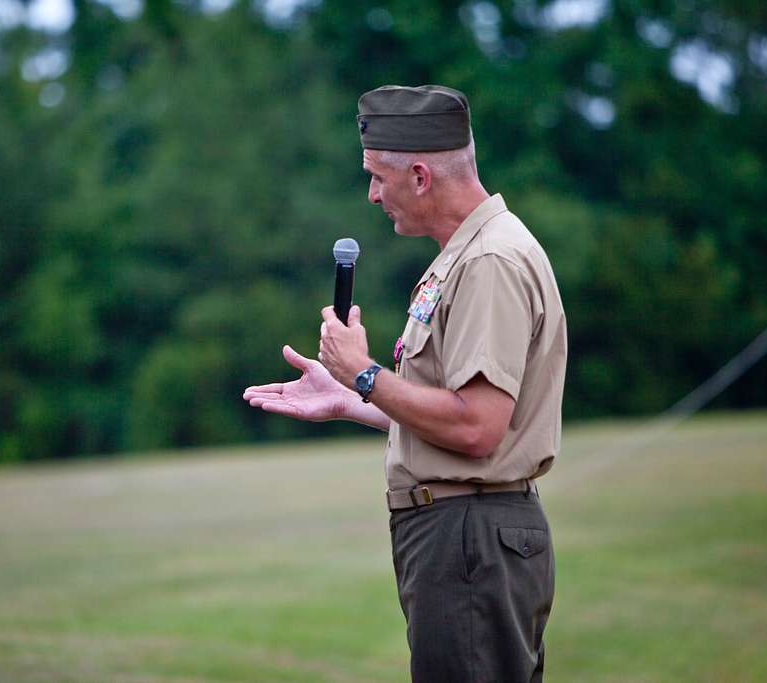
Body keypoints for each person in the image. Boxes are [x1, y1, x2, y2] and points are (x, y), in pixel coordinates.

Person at [243, 84, 567, 683]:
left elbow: (477, 427)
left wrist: (366, 373)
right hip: (467, 537)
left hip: (470, 539)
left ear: (420, 176)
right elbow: (452, 413)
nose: (371, 194)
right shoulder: (466, 255)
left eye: (376, 177)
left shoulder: (488, 262)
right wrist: (352, 398)